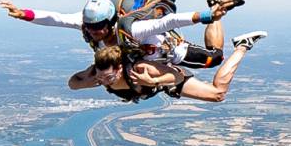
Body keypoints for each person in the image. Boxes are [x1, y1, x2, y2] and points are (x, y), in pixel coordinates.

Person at [0, 0, 244, 69]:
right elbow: (55, 19)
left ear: (110, 21)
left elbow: (169, 22)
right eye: (91, 27)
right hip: (143, 60)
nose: (94, 32)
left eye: (98, 27)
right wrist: (23, 14)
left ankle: (215, 2)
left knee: (215, 57)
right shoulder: (85, 24)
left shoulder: (133, 29)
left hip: (169, 53)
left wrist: (207, 15)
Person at [69, 32, 267, 103]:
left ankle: (242, 45)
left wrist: (153, 81)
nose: (104, 82)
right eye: (103, 79)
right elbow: (73, 84)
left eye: (108, 78)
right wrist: (90, 75)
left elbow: (177, 77)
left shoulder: (141, 69)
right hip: (153, 87)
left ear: (120, 69)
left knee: (217, 94)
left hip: (166, 80)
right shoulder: (98, 75)